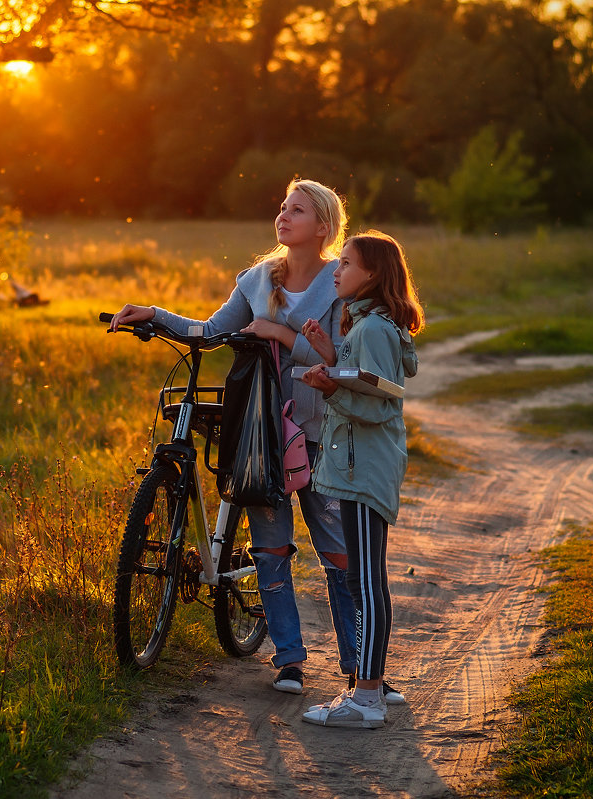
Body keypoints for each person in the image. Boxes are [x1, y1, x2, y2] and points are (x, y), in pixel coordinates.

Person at [108, 178, 361, 694]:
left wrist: (279, 334)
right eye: (283, 207)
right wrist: (154, 314)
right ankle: (289, 659)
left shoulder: (343, 280)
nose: (283, 216)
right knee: (270, 547)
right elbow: (210, 331)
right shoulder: (256, 280)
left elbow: (342, 359)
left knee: (335, 548)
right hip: (262, 434)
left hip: (319, 431)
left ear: (323, 227)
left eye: (297, 210)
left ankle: (358, 663)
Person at [298, 230, 423, 729]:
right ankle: (367, 688)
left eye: (346, 263)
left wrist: (329, 388)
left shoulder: (372, 330)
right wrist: (332, 356)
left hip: (364, 467)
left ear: (371, 273)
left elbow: (375, 405)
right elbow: (369, 380)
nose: (337, 270)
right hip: (361, 466)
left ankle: (366, 696)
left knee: (366, 582)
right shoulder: (371, 325)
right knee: (362, 577)